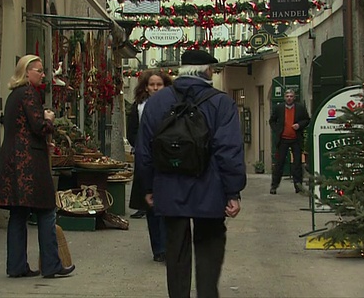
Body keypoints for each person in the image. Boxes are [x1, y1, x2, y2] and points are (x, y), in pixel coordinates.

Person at [136, 50, 247, 298]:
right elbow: (228, 149)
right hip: (210, 188)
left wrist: (148, 187)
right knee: (209, 249)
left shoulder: (157, 102)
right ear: (207, 71)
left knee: (175, 251)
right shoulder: (221, 103)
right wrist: (232, 191)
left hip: (168, 185)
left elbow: (144, 150)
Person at [0, 54, 75, 279]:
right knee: (47, 211)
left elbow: (22, 130)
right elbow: (39, 126)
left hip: (13, 161)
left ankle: (16, 266)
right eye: (38, 70)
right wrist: (49, 118)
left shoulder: (13, 95)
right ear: (26, 72)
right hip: (28, 165)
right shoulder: (29, 93)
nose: (42, 74)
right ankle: (51, 264)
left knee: (18, 214)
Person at [126, 69, 173, 262]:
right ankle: (159, 249)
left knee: (168, 203)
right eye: (152, 85)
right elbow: (132, 132)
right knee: (152, 205)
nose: (155, 88)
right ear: (146, 87)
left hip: (169, 159)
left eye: (159, 84)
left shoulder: (174, 104)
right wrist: (142, 147)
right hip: (147, 159)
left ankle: (169, 245)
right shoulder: (138, 106)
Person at [268, 88, 310, 195]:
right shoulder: (279, 108)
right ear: (284, 98)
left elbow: (307, 120)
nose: (289, 98)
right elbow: (272, 120)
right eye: (287, 96)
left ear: (294, 97)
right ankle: (274, 186)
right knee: (279, 164)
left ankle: (298, 187)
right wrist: (277, 130)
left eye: (291, 96)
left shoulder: (300, 108)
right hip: (283, 139)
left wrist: (299, 125)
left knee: (297, 164)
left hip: (296, 139)